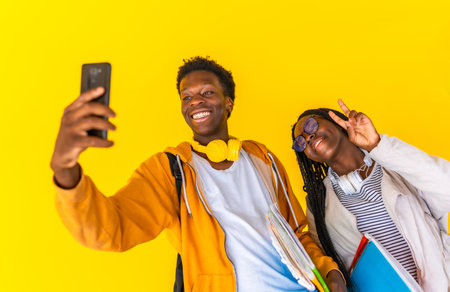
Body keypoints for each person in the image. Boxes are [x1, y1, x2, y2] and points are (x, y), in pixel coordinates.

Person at [51, 57, 346, 292]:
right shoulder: (169, 170)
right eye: (186, 97)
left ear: (228, 102)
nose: (195, 102)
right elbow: (109, 231)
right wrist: (66, 170)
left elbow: (296, 234)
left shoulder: (262, 158)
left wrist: (330, 271)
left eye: (206, 92)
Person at [291, 99, 450, 291]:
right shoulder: (318, 204)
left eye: (311, 125)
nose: (307, 137)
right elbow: (326, 263)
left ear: (335, 122)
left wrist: (376, 145)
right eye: (300, 142)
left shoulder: (392, 163)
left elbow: (444, 185)